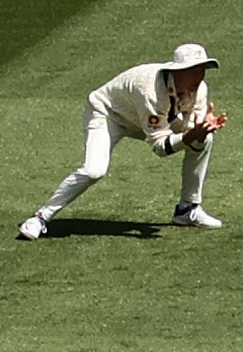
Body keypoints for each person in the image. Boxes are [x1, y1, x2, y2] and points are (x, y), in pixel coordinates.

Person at [18, 43, 225, 239]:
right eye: (193, 70)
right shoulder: (150, 90)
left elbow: (190, 129)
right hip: (108, 114)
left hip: (146, 117)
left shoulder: (199, 89)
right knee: (94, 170)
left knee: (204, 139)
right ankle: (40, 218)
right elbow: (159, 147)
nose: (200, 75)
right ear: (177, 70)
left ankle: (187, 209)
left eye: (203, 69)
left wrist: (200, 129)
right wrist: (190, 135)